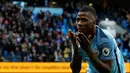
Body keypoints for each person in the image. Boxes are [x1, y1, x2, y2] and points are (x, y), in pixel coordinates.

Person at [68, 6, 125, 73]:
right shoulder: (77, 39)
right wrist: (75, 48)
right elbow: (75, 70)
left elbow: (107, 71)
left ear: (94, 23)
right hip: (92, 70)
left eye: (84, 20)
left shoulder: (105, 38)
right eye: (78, 20)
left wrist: (89, 51)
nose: (79, 23)